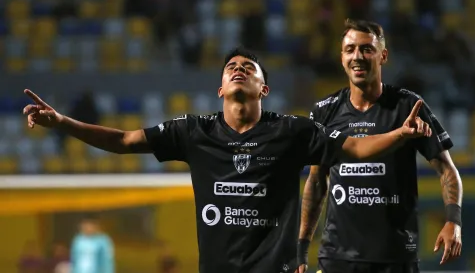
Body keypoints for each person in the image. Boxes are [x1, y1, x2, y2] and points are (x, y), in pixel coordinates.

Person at [22, 47, 431, 273]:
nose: (238, 70)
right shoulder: (195, 131)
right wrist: (61, 123)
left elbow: (354, 148)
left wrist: (400, 134)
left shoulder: (292, 131)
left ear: (263, 88)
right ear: (220, 89)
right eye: (231, 68)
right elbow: (125, 140)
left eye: (247, 68)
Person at [297, 19, 463, 273]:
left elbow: (447, 169)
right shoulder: (325, 111)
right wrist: (302, 246)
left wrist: (454, 221)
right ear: (342, 57)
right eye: (350, 49)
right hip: (337, 259)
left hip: (394, 258)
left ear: (383, 55)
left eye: (366, 49)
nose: (357, 56)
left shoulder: (408, 106)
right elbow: (316, 181)